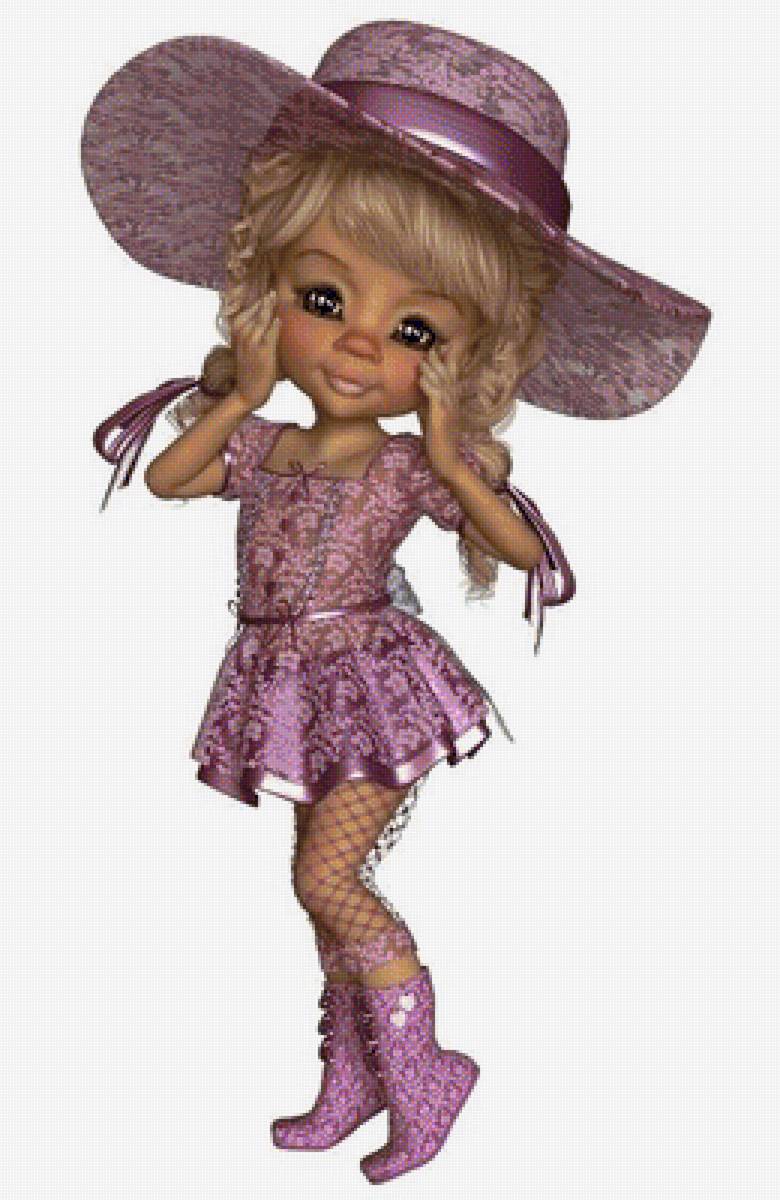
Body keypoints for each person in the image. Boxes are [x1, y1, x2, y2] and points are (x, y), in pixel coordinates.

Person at [83, 22, 710, 1184]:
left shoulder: (408, 465)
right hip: (281, 679)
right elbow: (170, 479)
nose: (361, 344)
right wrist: (242, 394)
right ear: (265, 288)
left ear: (463, 358)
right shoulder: (266, 443)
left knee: (326, 878)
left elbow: (522, 550)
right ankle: (359, 1074)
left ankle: (425, 1072)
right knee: (319, 888)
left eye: (415, 329)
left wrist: (459, 463)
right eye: (324, 296)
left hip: (371, 683)